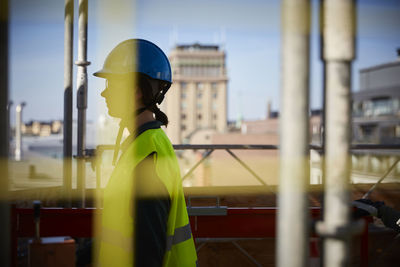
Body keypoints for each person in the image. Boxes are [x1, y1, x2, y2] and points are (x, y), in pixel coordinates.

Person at [93, 39, 198, 267]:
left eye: (111, 85)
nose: (104, 94)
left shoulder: (147, 158)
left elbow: (149, 253)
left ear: (135, 91)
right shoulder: (147, 143)